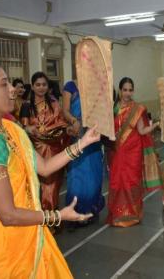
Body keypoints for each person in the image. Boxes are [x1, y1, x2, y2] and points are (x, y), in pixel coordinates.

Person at [0, 60, 100, 278]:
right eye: (4, 84)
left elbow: (43, 167)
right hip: (3, 249)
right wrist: (57, 216)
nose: (13, 90)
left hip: (19, 238)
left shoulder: (6, 128)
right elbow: (7, 215)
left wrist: (83, 143)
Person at [107, 77, 160, 227]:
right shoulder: (113, 108)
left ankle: (133, 214)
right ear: (120, 90)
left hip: (133, 151)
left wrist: (155, 124)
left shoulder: (138, 108)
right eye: (125, 90)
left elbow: (142, 130)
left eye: (130, 90)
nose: (128, 93)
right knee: (118, 179)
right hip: (117, 150)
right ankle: (118, 214)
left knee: (132, 180)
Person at [20, 72, 69, 212]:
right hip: (34, 151)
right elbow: (22, 128)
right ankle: (38, 219)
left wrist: (67, 129)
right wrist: (28, 129)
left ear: (48, 87)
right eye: (38, 85)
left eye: (44, 85)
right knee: (36, 186)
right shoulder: (26, 106)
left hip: (54, 150)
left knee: (52, 186)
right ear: (33, 87)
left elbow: (61, 124)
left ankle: (51, 220)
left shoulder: (54, 105)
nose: (41, 88)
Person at [62, 80, 105, 225]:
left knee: (94, 176)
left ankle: (91, 210)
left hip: (93, 135)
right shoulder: (71, 86)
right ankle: (74, 214)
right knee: (76, 178)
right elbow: (65, 110)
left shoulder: (96, 83)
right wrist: (74, 121)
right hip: (77, 135)